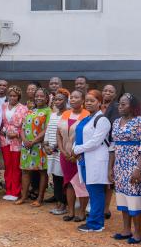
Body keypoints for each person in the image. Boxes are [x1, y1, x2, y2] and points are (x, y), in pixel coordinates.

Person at [108, 93, 141, 244]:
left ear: (132, 106)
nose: (120, 107)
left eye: (124, 104)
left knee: (135, 198)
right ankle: (126, 230)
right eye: (119, 104)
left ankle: (137, 233)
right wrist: (110, 168)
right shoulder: (116, 122)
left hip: (134, 165)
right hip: (119, 165)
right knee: (123, 197)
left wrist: (138, 168)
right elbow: (112, 146)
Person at [73, 90, 111, 233]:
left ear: (100, 102)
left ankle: (96, 224)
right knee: (91, 191)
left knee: (96, 192)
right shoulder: (86, 119)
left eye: (92, 101)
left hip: (96, 160)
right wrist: (75, 148)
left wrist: (77, 150)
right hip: (84, 160)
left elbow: (95, 142)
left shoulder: (102, 120)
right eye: (87, 100)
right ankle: (94, 221)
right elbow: (78, 136)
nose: (88, 103)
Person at [57, 90, 90, 222]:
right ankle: (70, 211)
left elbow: (88, 137)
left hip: (80, 156)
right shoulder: (65, 114)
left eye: (77, 97)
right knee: (68, 183)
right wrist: (62, 150)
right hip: (65, 155)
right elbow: (58, 134)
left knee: (81, 184)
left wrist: (76, 154)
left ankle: (81, 212)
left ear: (83, 100)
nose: (73, 99)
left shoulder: (87, 115)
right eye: (72, 97)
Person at [17, 88, 51, 206]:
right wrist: (25, 140)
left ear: (46, 98)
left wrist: (34, 141)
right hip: (26, 146)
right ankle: (24, 196)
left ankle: (40, 198)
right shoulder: (30, 111)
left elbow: (46, 129)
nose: (39, 98)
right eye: (37, 96)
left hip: (39, 146)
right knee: (25, 171)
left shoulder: (48, 111)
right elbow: (22, 127)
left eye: (42, 96)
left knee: (42, 171)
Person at [0, 86, 28, 201]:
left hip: (17, 140)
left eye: (14, 95)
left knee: (16, 166)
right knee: (8, 165)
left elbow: (25, 125)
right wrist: (1, 130)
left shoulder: (23, 108)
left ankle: (16, 192)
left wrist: (16, 134)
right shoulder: (3, 106)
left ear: (18, 96)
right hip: (4, 139)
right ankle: (8, 190)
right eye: (10, 95)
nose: (12, 97)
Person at [44, 88, 69, 215]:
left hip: (61, 151)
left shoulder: (69, 115)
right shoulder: (53, 115)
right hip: (51, 152)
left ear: (66, 101)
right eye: (55, 99)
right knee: (55, 177)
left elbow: (67, 134)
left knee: (62, 177)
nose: (57, 102)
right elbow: (48, 131)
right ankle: (59, 202)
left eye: (60, 100)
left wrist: (57, 147)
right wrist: (46, 145)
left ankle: (63, 204)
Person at [102, 84, 120, 220]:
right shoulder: (96, 105)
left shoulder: (116, 107)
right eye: (105, 90)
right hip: (95, 148)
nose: (107, 92)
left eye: (111, 91)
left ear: (114, 95)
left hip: (109, 147)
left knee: (108, 179)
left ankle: (106, 208)